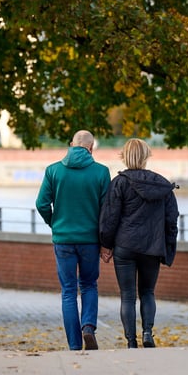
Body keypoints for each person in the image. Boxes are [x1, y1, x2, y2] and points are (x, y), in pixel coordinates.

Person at [99, 138, 179, 348]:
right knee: (148, 292)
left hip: (125, 246)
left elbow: (110, 218)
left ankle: (131, 342)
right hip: (152, 247)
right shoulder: (162, 185)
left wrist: (105, 245)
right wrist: (168, 247)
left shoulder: (119, 183)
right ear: (146, 156)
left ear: (124, 157)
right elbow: (171, 219)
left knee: (127, 296)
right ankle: (147, 333)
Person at [36, 130, 111, 351]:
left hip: (64, 239)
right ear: (91, 148)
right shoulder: (101, 172)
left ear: (71, 145)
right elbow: (107, 211)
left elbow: (41, 204)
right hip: (90, 240)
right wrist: (105, 241)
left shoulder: (53, 171)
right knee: (89, 285)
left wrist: (54, 223)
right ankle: (88, 326)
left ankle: (74, 345)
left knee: (68, 291)